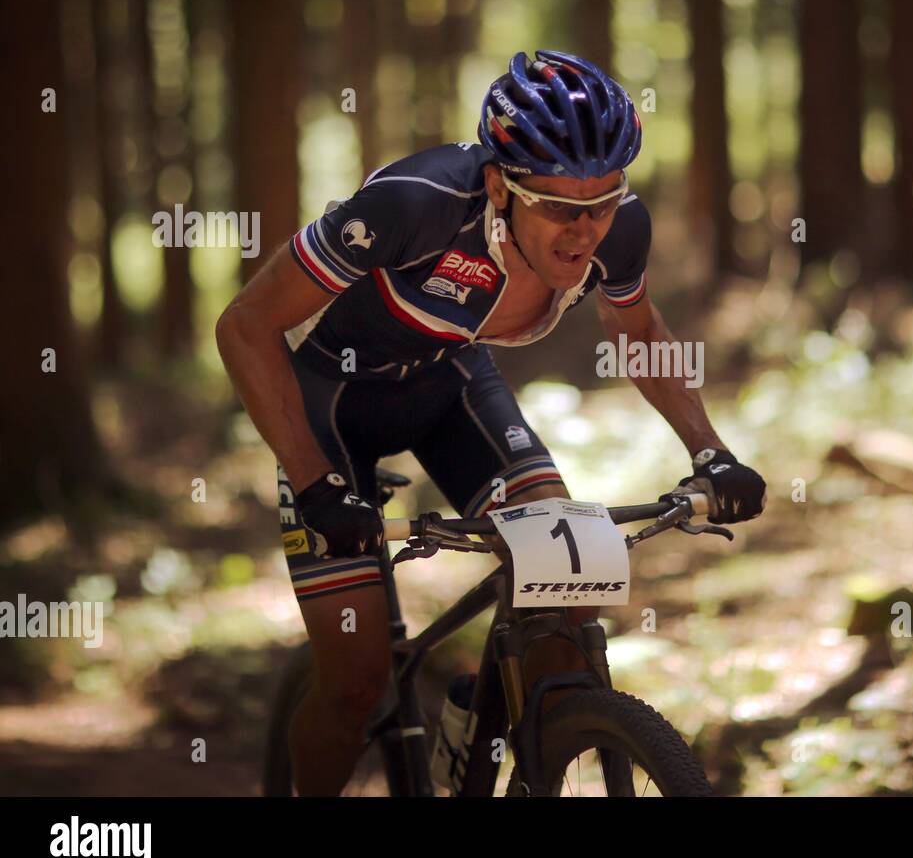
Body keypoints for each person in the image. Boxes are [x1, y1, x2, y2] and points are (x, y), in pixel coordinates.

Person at [215, 49, 766, 795]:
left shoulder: (618, 228)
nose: (584, 232)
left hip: (450, 385)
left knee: (566, 602)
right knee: (353, 682)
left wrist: (713, 454)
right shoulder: (413, 205)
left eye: (602, 204)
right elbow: (246, 325)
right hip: (333, 406)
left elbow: (637, 333)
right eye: (560, 209)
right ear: (499, 186)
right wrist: (314, 485)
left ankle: (498, 734)